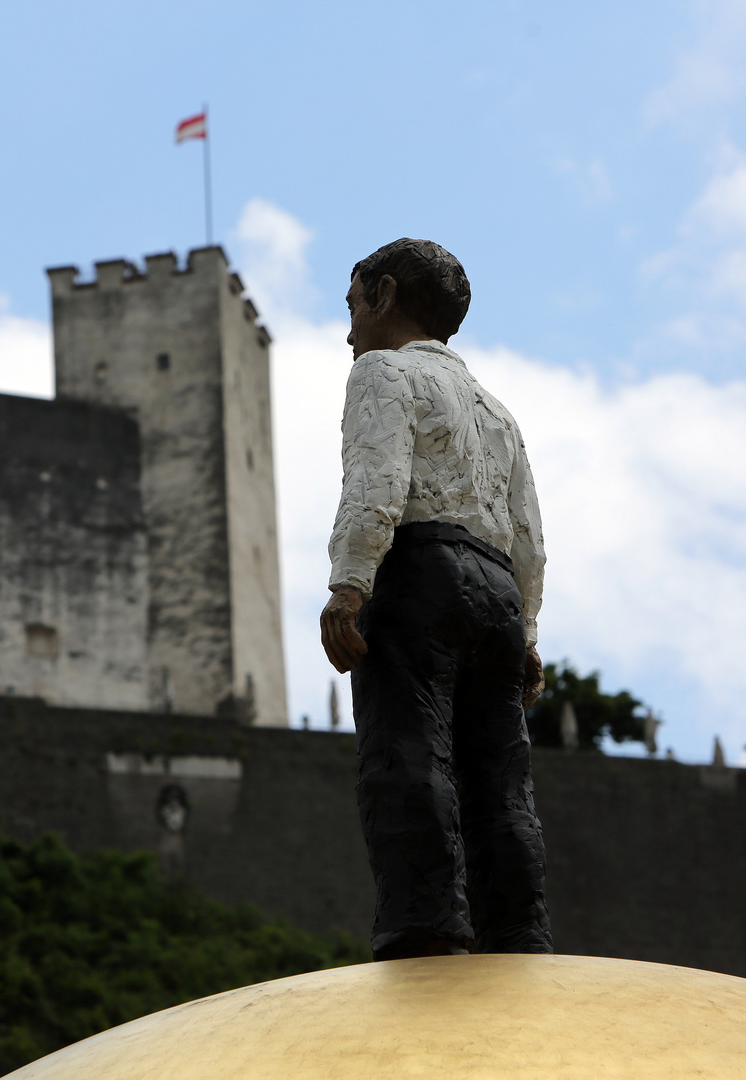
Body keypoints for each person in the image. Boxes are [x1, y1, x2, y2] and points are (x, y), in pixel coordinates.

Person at [320, 238, 552, 961]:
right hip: (497, 596)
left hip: (420, 573)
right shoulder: (497, 412)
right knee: (501, 782)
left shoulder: (382, 375)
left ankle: (426, 930)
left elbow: (375, 488)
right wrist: (530, 634)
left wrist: (348, 588)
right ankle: (518, 936)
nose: (350, 326)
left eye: (354, 303)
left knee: (408, 754)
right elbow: (529, 538)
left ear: (384, 294)